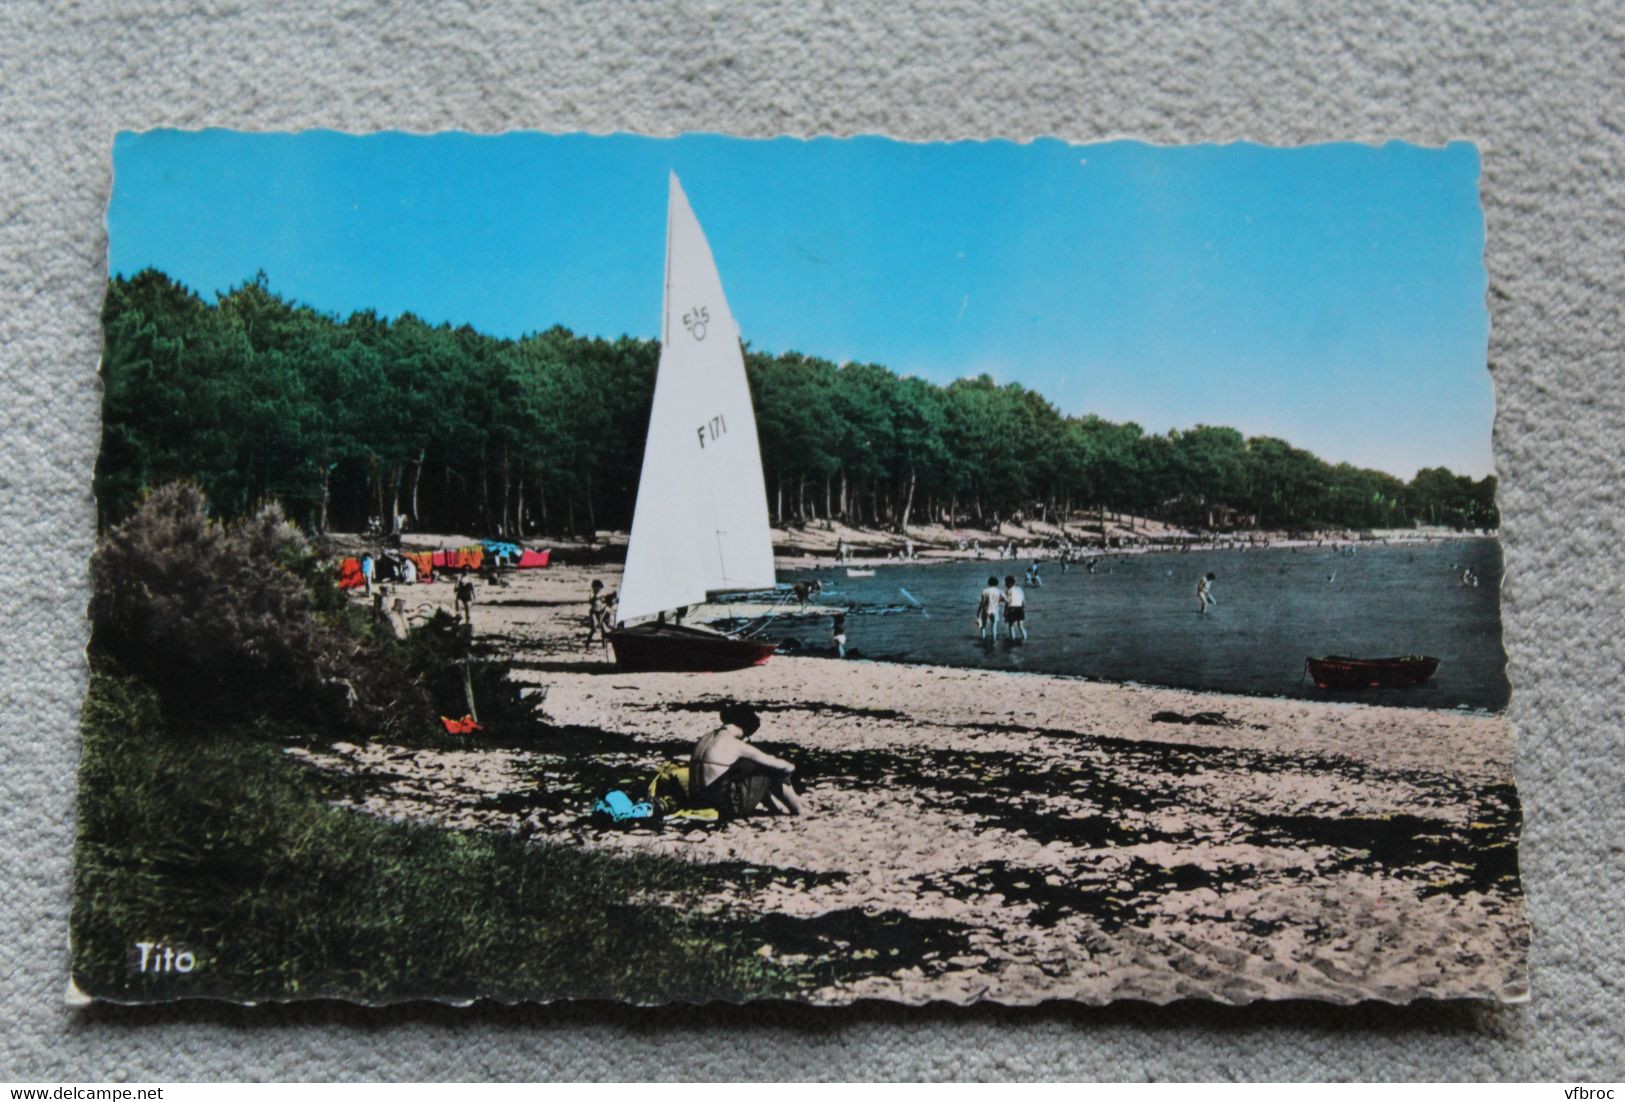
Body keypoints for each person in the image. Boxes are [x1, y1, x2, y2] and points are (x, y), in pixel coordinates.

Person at [687, 703, 805, 819]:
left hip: (698, 801)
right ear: (744, 727)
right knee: (771, 769)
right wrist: (791, 769)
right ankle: (799, 810)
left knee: (748, 767)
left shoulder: (705, 738)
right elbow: (780, 765)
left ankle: (775, 807)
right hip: (725, 807)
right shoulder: (734, 743)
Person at [976, 575, 1003, 639]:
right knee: (994, 626)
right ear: (997, 583)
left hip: (986, 609)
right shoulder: (999, 591)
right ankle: (994, 639)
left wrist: (979, 611)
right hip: (995, 610)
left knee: (983, 625)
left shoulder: (985, 590)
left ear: (989, 583)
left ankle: (983, 638)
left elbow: (982, 602)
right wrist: (999, 600)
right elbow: (1005, 599)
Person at [1003, 574, 1028, 639]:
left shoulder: (1008, 590)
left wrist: (1005, 612)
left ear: (1008, 583)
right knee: (1021, 626)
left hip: (1012, 609)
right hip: (1020, 608)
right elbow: (1023, 601)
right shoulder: (1019, 589)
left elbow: (1008, 602)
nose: (1005, 584)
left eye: (1006, 583)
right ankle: (1025, 638)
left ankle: (1012, 640)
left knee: (1011, 626)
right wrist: (1022, 609)